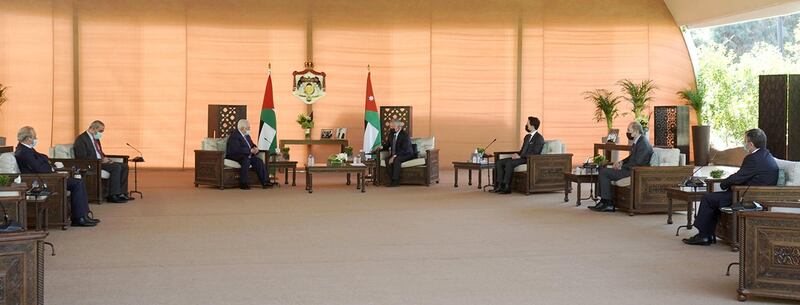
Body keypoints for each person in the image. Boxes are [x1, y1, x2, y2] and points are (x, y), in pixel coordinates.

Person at [683, 128, 779, 246]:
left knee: (708, 198)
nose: (744, 144)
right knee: (714, 198)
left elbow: (738, 177)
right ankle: (709, 234)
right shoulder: (767, 156)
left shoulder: (753, 158)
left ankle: (704, 236)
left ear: (751, 144)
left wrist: (723, 184)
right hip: (753, 193)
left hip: (745, 196)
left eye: (745, 141)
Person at [15, 126, 99, 227]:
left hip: (45, 177)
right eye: (34, 137)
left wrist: (46, 162)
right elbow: (40, 168)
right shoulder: (23, 152)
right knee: (77, 183)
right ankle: (79, 218)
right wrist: (50, 167)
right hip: (40, 181)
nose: (35, 139)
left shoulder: (27, 148)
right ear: (28, 138)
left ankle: (83, 215)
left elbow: (43, 157)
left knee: (78, 182)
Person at [590, 121, 653, 212]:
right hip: (629, 169)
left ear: (635, 131)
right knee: (602, 169)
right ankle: (603, 201)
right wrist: (621, 162)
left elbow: (638, 162)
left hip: (633, 172)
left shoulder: (643, 143)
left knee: (604, 172)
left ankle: (608, 203)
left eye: (629, 130)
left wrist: (622, 167)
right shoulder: (639, 141)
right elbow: (632, 157)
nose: (627, 132)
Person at [73, 120, 133, 203]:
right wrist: (101, 160)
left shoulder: (95, 138)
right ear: (92, 128)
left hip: (100, 161)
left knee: (124, 166)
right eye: (100, 131)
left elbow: (99, 152)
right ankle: (113, 195)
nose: (101, 133)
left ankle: (122, 193)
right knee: (116, 167)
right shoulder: (81, 139)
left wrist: (106, 158)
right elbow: (82, 157)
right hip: (93, 164)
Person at [492, 116, 545, 194]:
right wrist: (517, 154)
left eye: (528, 123)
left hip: (529, 160)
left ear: (532, 125)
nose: (526, 125)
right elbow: (522, 150)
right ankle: (499, 185)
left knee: (509, 163)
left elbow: (535, 153)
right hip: (521, 157)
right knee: (499, 162)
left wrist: (520, 156)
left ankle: (507, 187)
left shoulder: (539, 138)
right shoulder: (527, 137)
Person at [226, 119, 269, 190]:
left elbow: (251, 144)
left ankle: (265, 182)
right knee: (246, 161)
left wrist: (255, 148)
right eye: (248, 128)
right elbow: (236, 149)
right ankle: (243, 183)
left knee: (258, 161)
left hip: (246, 154)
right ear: (242, 128)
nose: (249, 129)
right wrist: (250, 150)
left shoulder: (247, 136)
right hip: (235, 155)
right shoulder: (234, 136)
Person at [373, 120, 414, 187]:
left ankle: (395, 181)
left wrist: (394, 156)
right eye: (390, 126)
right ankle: (391, 180)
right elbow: (387, 145)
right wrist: (382, 147)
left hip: (407, 154)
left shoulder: (405, 135)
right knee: (387, 160)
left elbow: (404, 149)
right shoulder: (391, 134)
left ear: (399, 127)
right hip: (396, 154)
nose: (391, 128)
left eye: (393, 127)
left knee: (396, 160)